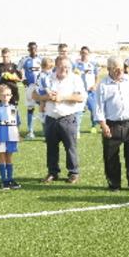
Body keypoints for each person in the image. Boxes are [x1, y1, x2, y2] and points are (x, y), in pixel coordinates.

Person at [95, 56, 129, 193]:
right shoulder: (103, 85)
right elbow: (99, 108)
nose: (120, 71)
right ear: (109, 69)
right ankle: (114, 184)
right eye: (116, 69)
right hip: (112, 124)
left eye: (122, 68)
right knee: (111, 156)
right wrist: (103, 125)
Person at [34, 56, 85, 184]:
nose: (64, 69)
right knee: (51, 148)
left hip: (68, 118)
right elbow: (34, 94)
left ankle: (73, 173)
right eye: (61, 67)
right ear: (56, 66)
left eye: (67, 67)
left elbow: (80, 97)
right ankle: (52, 172)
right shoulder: (47, 78)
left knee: (70, 147)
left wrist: (63, 97)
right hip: (51, 118)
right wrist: (46, 97)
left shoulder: (75, 79)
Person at [0, 84, 22, 190]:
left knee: (9, 157)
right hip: (1, 136)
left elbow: (16, 123)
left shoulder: (14, 108)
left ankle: (10, 179)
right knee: (2, 157)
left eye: (8, 95)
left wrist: (18, 135)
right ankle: (4, 180)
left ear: (11, 96)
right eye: (3, 95)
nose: (5, 97)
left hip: (12, 136)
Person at [17, 41, 42, 139]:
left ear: (37, 49)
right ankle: (30, 131)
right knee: (30, 108)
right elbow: (17, 70)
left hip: (40, 87)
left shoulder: (41, 59)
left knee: (43, 108)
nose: (33, 50)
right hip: (29, 87)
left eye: (34, 48)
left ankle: (45, 129)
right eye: (31, 49)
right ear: (28, 49)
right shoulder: (24, 59)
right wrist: (23, 80)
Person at [74, 46, 99, 134]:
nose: (84, 55)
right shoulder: (76, 64)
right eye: (83, 53)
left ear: (89, 54)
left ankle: (93, 126)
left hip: (91, 91)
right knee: (79, 110)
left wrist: (95, 85)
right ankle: (76, 129)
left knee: (94, 109)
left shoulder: (93, 64)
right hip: (80, 92)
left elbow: (97, 76)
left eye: (86, 53)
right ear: (80, 53)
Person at [35, 57, 55, 138]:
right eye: (49, 68)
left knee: (46, 108)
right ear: (44, 67)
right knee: (43, 103)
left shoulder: (46, 74)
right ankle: (41, 115)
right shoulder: (43, 75)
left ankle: (48, 132)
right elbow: (46, 87)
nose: (50, 70)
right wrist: (50, 93)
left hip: (42, 91)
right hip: (42, 92)